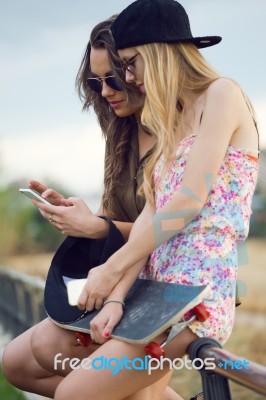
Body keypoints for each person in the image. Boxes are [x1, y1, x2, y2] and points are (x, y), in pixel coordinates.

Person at [35, 1, 258, 399]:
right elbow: (151, 215)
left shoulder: (222, 93)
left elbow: (189, 200)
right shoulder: (165, 119)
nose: (131, 77)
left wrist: (109, 270)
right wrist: (117, 298)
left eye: (133, 63)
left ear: (163, 52)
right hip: (154, 290)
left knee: (76, 393)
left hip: (195, 297)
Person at [2, 15, 180, 400]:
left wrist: (98, 228)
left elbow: (175, 226)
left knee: (85, 381)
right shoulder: (123, 133)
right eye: (94, 82)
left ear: (139, 70)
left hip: (167, 285)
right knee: (16, 363)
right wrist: (81, 219)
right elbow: (132, 221)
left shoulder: (179, 133)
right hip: (128, 278)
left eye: (113, 78)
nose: (104, 91)